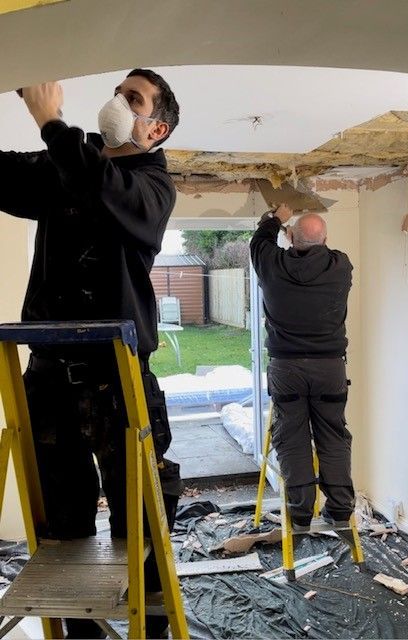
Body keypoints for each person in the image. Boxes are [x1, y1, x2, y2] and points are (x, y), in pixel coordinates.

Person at [0, 68, 181, 638]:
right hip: (51, 379)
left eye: (134, 99)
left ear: (156, 130)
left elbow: (103, 187)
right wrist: (53, 136)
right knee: (62, 521)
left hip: (118, 381)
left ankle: (147, 627)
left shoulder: (151, 187)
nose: (118, 103)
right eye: (118, 93)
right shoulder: (65, 167)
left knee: (142, 520)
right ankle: (83, 632)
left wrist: (52, 121)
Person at [250, 204, 355, 532]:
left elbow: (258, 243)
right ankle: (339, 512)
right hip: (329, 369)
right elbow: (314, 248)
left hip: (287, 368)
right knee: (334, 437)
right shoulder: (341, 266)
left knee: (292, 438)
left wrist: (278, 220)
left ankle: (299, 515)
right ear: (325, 240)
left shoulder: (273, 266)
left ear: (291, 239)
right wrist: (296, 234)